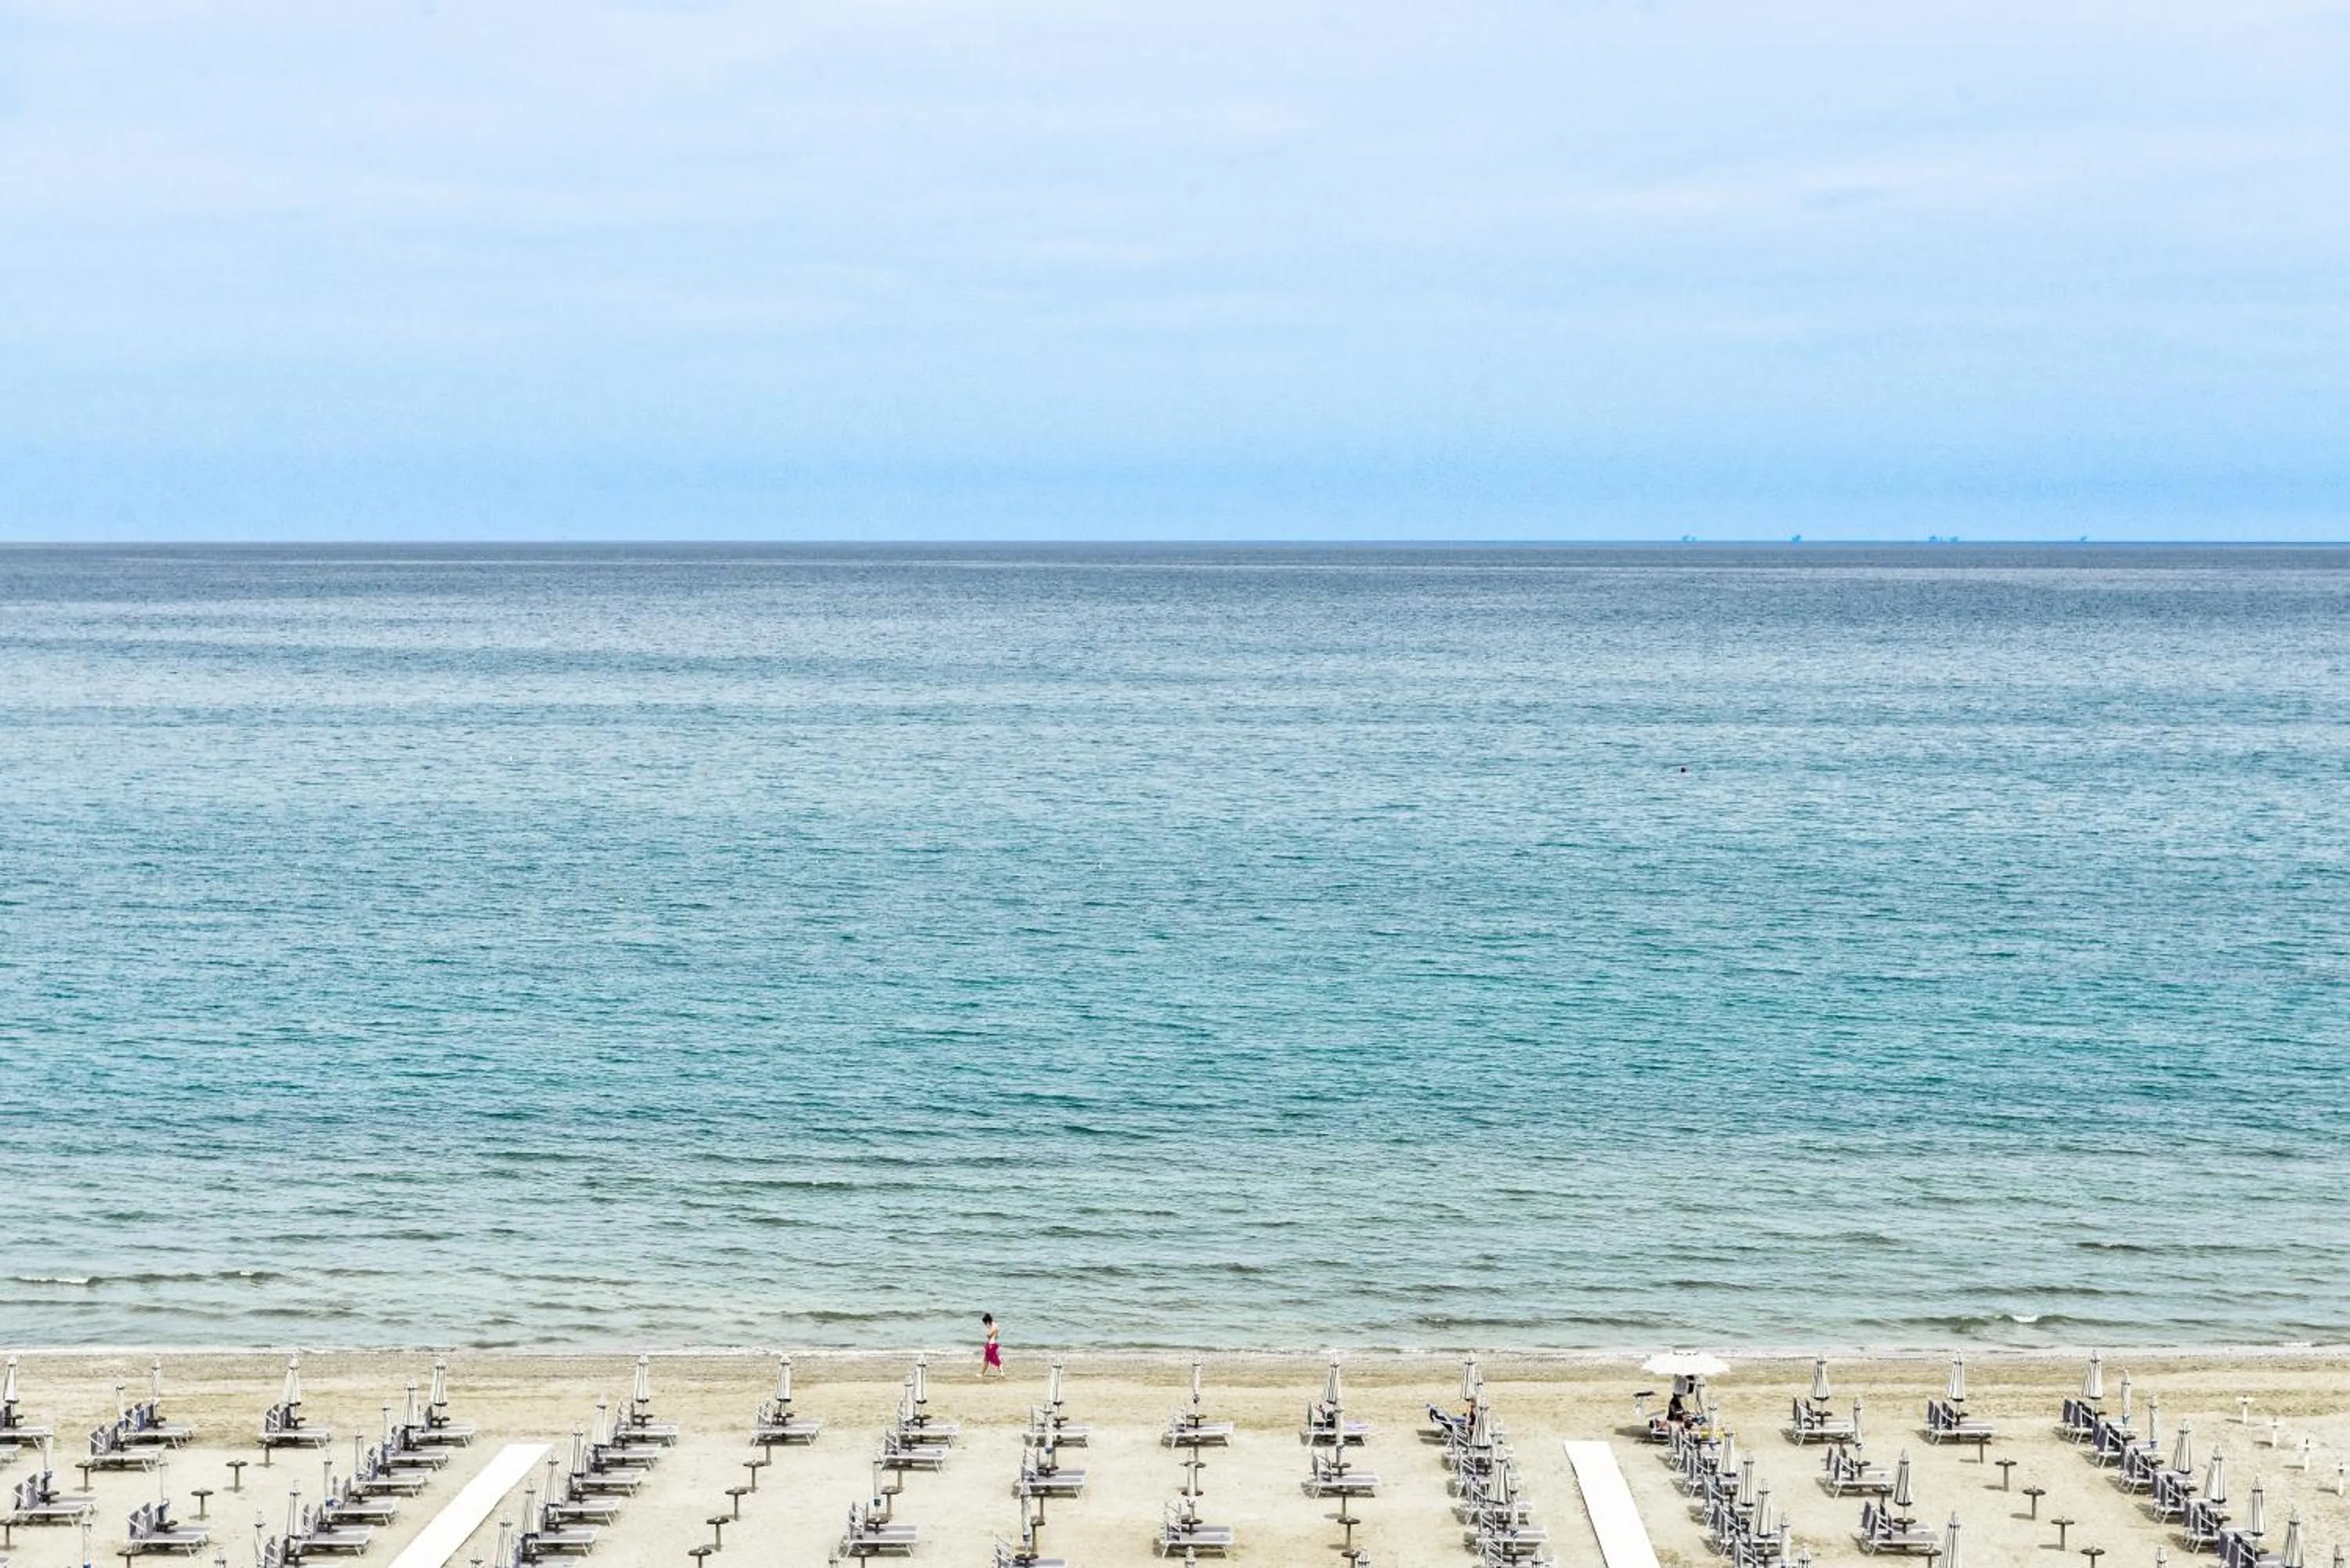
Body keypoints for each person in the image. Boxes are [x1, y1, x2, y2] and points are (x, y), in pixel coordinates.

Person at [981, 1313, 1003, 1378]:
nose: (985, 1325)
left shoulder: (993, 1326)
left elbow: (988, 1335)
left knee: (986, 1360)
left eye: (985, 1323)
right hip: (994, 1344)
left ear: (987, 1321)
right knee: (995, 1358)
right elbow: (997, 1336)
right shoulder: (995, 1325)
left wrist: (989, 1328)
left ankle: (981, 1374)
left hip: (991, 1345)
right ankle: (1002, 1372)